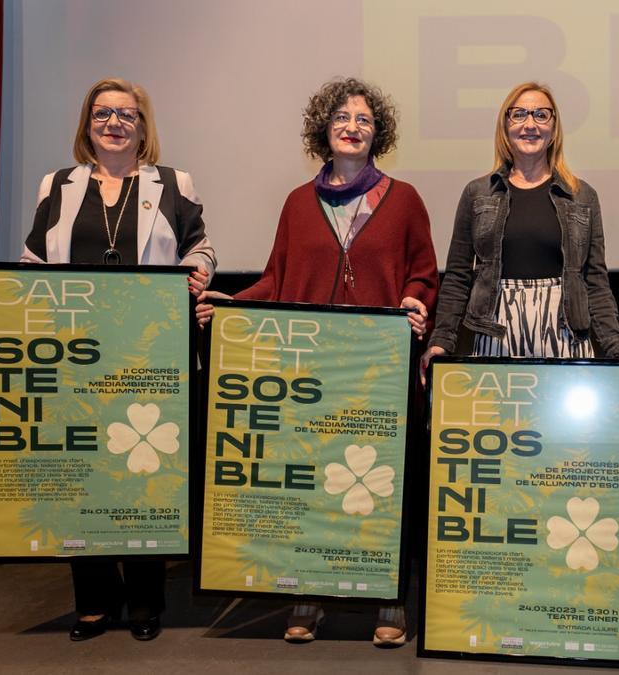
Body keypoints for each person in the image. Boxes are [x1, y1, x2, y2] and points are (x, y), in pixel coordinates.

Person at [0, 77, 215, 641]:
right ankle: (94, 600)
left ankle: (145, 600)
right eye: (102, 114)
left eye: (126, 114)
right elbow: (30, 266)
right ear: (87, 124)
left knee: (147, 472)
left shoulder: (171, 183)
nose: (114, 123)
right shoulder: (59, 185)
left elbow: (201, 248)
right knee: (86, 471)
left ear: (143, 127)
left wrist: (198, 278)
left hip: (150, 354)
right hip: (78, 355)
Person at [195, 77, 438, 646]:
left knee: (384, 484)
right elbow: (277, 278)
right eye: (342, 119)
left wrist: (416, 302)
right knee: (311, 481)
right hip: (309, 368)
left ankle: (389, 601)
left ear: (379, 133)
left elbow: (424, 273)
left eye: (364, 120)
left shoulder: (403, 199)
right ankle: (307, 594)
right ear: (323, 132)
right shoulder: (297, 203)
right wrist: (237, 303)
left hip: (379, 370)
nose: (353, 127)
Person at [422, 82, 619, 378]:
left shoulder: (582, 195)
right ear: (505, 126)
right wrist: (441, 342)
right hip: (496, 335)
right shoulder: (477, 194)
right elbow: (457, 278)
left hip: (567, 334)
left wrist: (617, 345)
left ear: (554, 128)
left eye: (541, 115)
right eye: (519, 115)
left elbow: (595, 280)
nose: (530, 124)